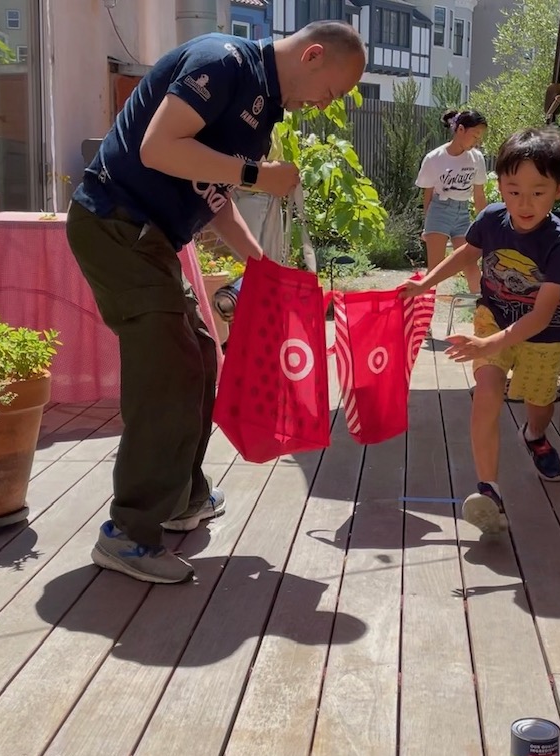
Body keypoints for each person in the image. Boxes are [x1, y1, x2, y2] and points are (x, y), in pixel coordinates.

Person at [66, 22, 366, 584]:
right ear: (314, 54)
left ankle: (180, 498)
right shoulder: (223, 61)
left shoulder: (261, 110)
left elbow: (216, 201)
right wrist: (257, 174)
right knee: (171, 372)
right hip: (114, 225)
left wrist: (264, 268)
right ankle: (129, 534)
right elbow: (159, 147)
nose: (324, 105)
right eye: (331, 91)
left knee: (203, 356)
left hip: (151, 241)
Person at [402, 126, 560, 534]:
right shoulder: (492, 219)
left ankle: (535, 436)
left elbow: (540, 314)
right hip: (493, 316)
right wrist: (426, 283)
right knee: (487, 393)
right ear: (499, 185)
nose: (524, 202)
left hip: (543, 332)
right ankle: (489, 490)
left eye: (538, 191)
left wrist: (489, 341)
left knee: (538, 404)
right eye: (514, 190)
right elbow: (467, 252)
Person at [415, 109, 489, 293]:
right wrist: (428, 225)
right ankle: (425, 320)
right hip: (439, 210)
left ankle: (482, 315)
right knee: (435, 269)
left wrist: (486, 226)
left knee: (471, 265)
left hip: (463, 213)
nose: (477, 141)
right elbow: (428, 195)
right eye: (475, 135)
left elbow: (479, 196)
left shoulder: (476, 158)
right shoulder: (434, 158)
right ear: (461, 130)